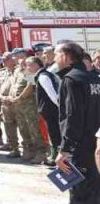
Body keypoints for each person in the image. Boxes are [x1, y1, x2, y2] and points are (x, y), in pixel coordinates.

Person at [55, 40, 100, 203]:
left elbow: (72, 116)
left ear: (65, 56)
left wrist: (64, 150)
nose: (54, 60)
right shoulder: (94, 78)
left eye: (56, 55)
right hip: (95, 143)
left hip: (80, 146)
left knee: (80, 192)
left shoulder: (71, 79)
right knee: (94, 189)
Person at [29, 54, 61, 166]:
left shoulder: (43, 76)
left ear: (37, 65)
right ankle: (54, 156)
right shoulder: (42, 75)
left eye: (30, 65)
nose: (28, 68)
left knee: (54, 134)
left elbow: (52, 94)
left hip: (51, 110)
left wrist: (60, 107)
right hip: (49, 110)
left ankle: (55, 158)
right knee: (52, 134)